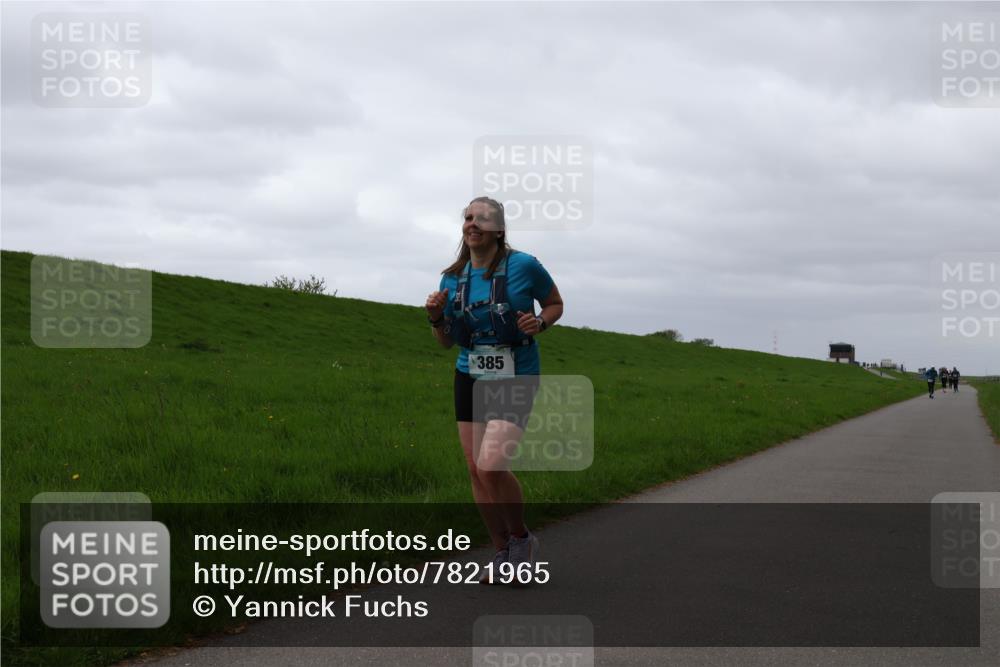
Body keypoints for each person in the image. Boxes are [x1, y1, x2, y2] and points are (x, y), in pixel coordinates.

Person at [425, 196, 563, 585]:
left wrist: (541, 323)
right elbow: (446, 342)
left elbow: (554, 303)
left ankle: (522, 541)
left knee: (491, 464)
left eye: (482, 218)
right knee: (474, 468)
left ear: (498, 229)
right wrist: (436, 317)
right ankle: (501, 551)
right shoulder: (452, 278)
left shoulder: (524, 265)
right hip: (469, 372)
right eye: (468, 217)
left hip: (516, 371)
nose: (472, 224)